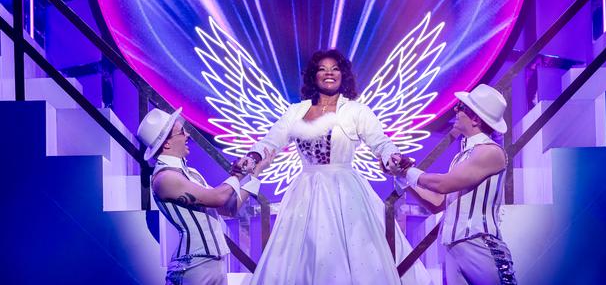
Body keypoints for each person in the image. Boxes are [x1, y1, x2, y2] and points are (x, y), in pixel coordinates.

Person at [244, 49, 432, 285]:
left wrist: (392, 156)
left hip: (346, 191)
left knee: (354, 254)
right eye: (322, 69)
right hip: (305, 193)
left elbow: (381, 143)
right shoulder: (296, 111)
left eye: (334, 68)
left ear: (343, 75)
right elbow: (271, 141)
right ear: (314, 76)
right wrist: (253, 156)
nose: (329, 73)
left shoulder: (356, 111)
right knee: (304, 255)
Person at [393, 84, 517, 285]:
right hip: (453, 248)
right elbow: (438, 202)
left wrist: (409, 171)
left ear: (475, 118)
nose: (455, 110)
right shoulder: (463, 156)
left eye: (461, 107)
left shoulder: (490, 152)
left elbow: (443, 184)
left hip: (479, 244)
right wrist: (403, 177)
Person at [136, 107, 275, 285]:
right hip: (192, 267)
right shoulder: (165, 178)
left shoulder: (191, 173)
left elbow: (228, 208)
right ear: (167, 144)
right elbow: (218, 197)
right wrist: (238, 174)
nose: (187, 135)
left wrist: (254, 174)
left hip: (215, 263)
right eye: (181, 132)